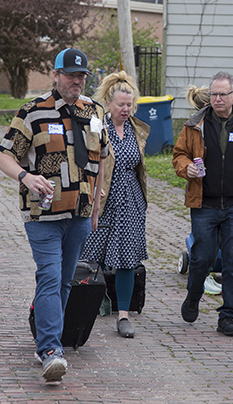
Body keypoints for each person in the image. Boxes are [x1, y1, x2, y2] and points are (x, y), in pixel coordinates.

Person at [0, 47, 108, 384]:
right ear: (55, 75)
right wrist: (25, 177)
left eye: (81, 75)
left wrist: (96, 206)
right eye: (70, 75)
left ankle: (44, 326)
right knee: (50, 276)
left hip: (80, 213)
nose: (76, 80)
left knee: (63, 280)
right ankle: (49, 350)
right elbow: (3, 156)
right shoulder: (33, 111)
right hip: (43, 214)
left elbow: (100, 160)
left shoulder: (94, 111)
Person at [172, 71, 233, 337]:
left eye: (223, 94)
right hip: (203, 203)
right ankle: (194, 295)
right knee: (202, 257)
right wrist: (186, 169)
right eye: (214, 94)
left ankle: (228, 315)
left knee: (232, 260)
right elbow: (179, 155)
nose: (217, 98)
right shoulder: (196, 123)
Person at [80, 71, 150, 338]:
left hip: (131, 200)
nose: (125, 109)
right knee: (90, 254)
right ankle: (84, 304)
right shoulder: (99, 127)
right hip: (103, 198)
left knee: (126, 261)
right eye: (121, 104)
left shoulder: (136, 129)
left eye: (129, 104)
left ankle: (123, 315)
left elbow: (139, 167)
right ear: (108, 103)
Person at [184, 85, 223, 296]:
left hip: (226, 197)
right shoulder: (193, 127)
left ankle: (212, 272)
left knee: (218, 240)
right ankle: (202, 276)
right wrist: (187, 167)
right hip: (202, 195)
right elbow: (180, 156)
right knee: (204, 241)